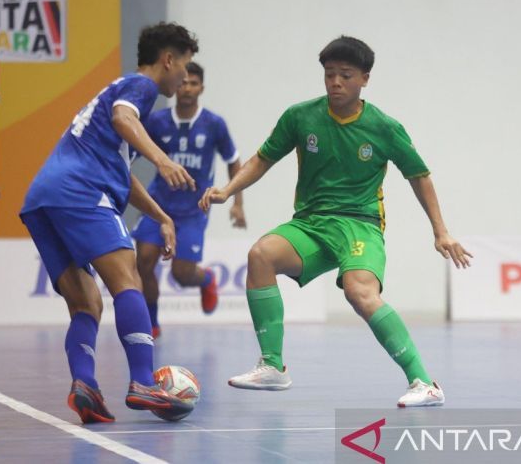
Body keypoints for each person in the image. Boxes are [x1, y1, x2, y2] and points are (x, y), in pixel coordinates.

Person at [200, 36, 473, 407]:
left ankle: (424, 383)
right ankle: (273, 366)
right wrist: (228, 190)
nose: (336, 82)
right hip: (311, 224)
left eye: (346, 75)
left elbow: (419, 175)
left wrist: (440, 232)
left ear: (365, 79)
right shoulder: (300, 117)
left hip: (360, 225)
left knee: (361, 294)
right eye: (329, 74)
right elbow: (262, 159)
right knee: (261, 255)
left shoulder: (384, 127)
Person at [20, 22, 200, 424]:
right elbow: (122, 119)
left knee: (87, 302)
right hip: (81, 190)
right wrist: (163, 160)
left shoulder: (117, 95)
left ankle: (85, 385)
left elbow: (122, 174)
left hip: (44, 197)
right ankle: (143, 382)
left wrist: (161, 215)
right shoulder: (140, 87)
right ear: (167, 60)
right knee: (127, 279)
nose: (184, 75)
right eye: (184, 65)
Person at [132, 61, 245, 337]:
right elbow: (132, 149)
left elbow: (234, 161)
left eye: (193, 83)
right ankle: (152, 324)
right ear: (176, 84)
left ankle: (206, 279)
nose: (187, 88)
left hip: (194, 210)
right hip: (158, 205)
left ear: (201, 88)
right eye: (183, 82)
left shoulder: (214, 124)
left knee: (181, 275)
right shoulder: (157, 121)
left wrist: (237, 203)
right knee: (143, 260)